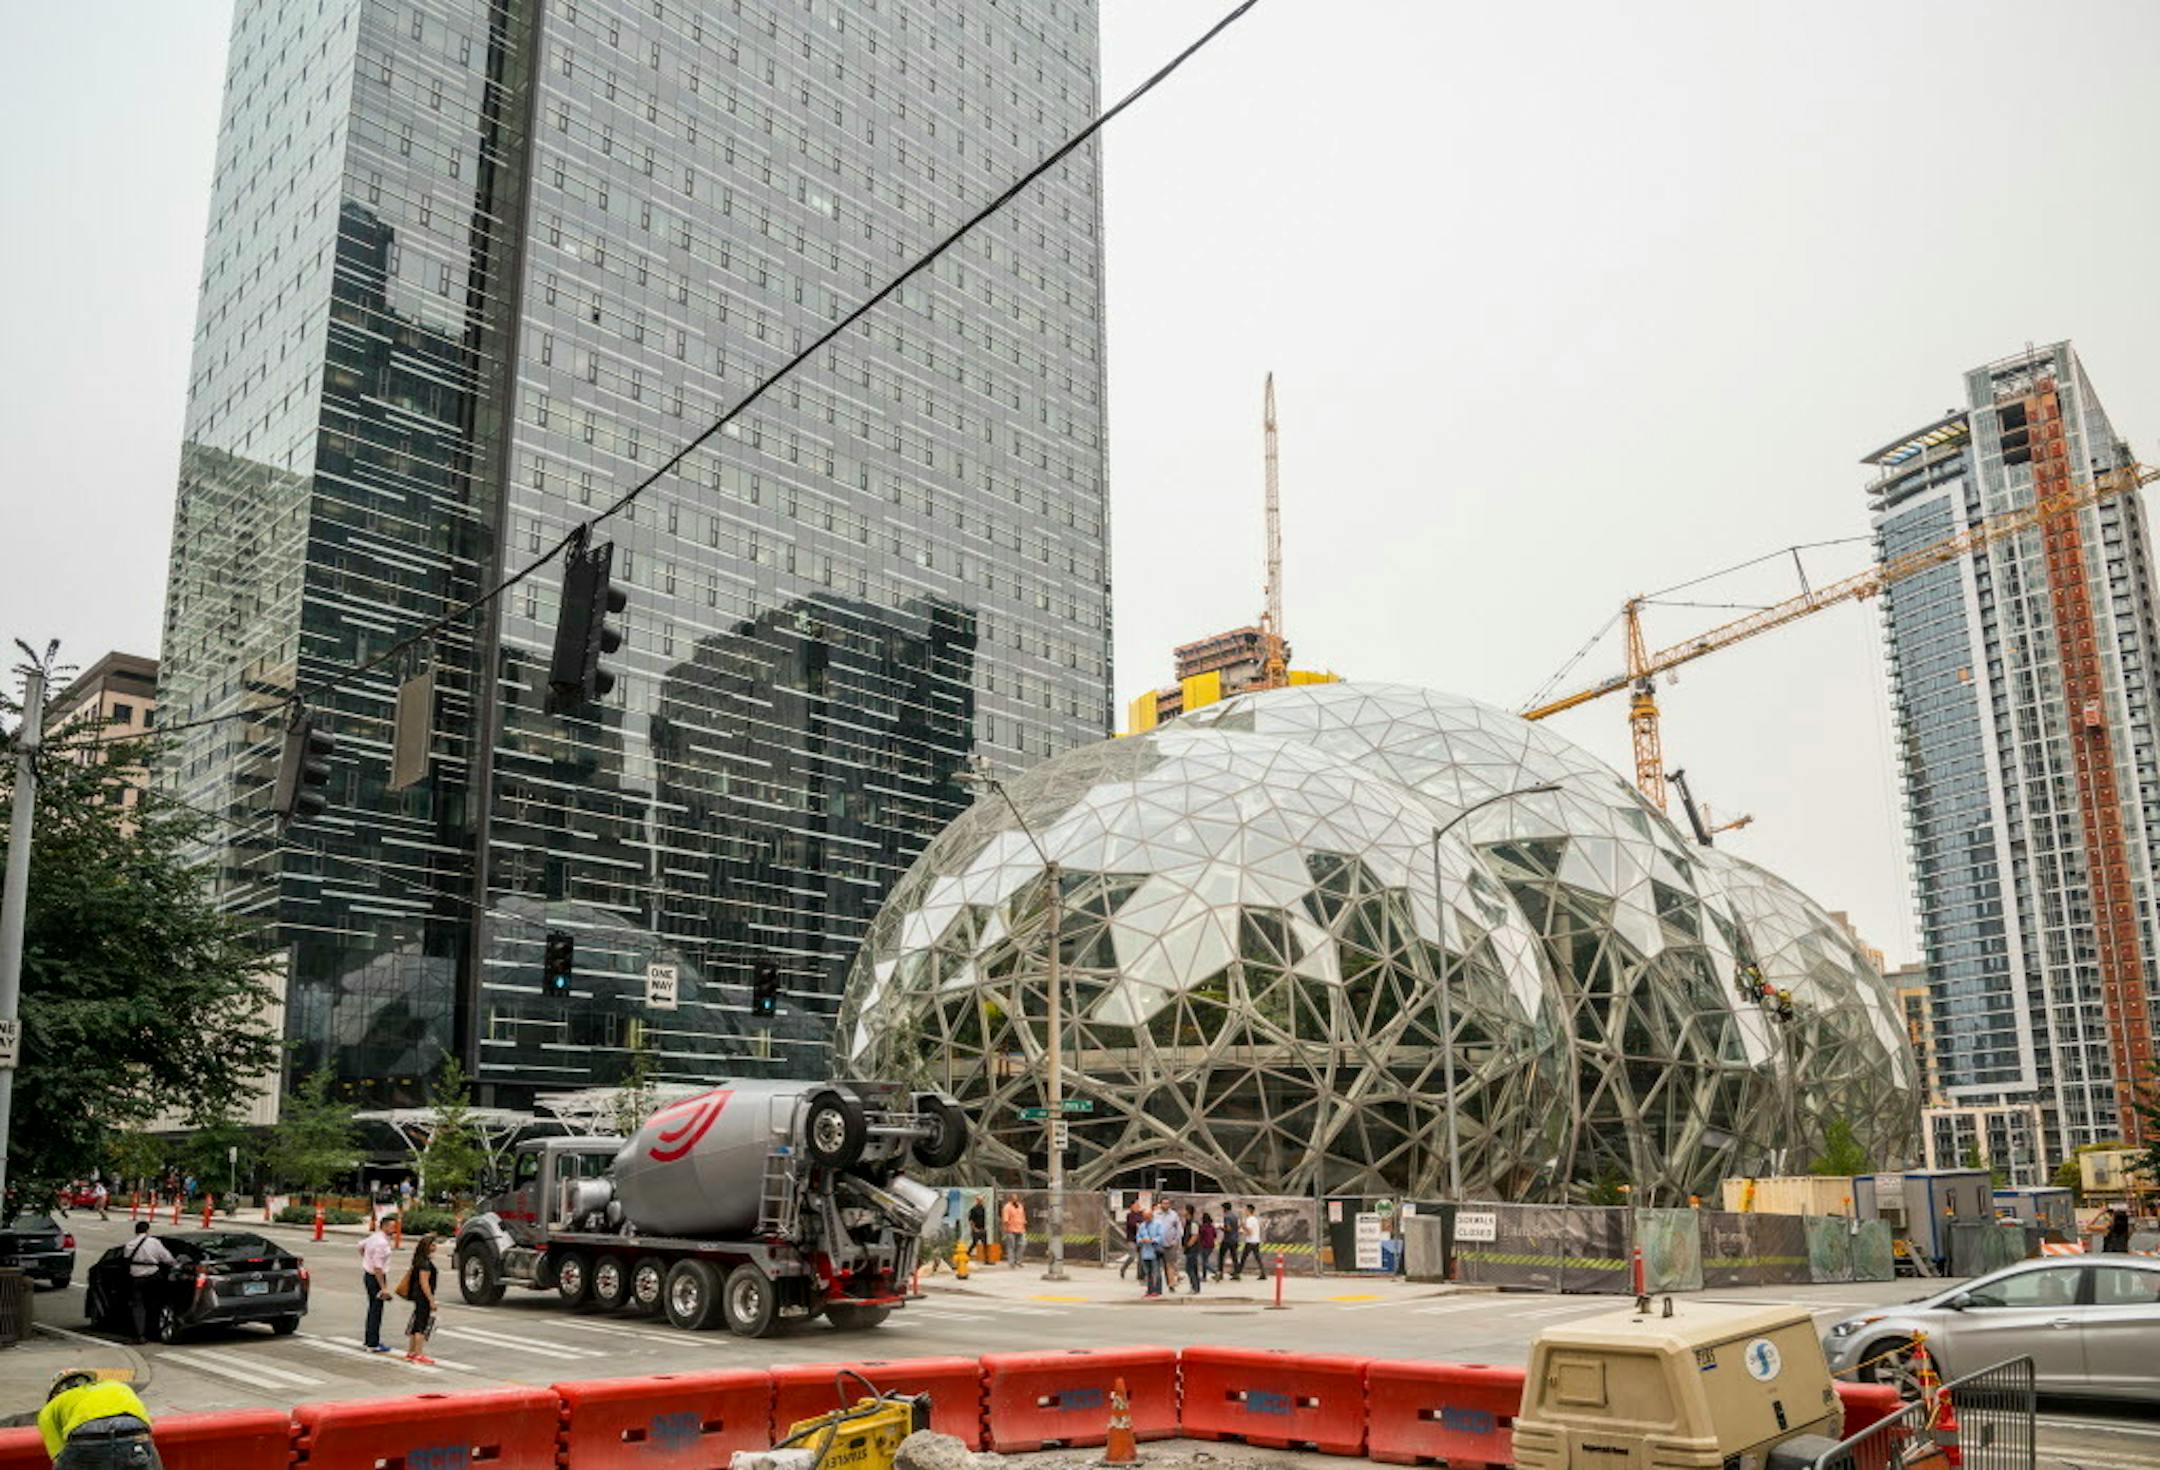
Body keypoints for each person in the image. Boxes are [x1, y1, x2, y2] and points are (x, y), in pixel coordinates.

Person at [39, 1374, 162, 1470]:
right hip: (135, 1433)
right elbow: (146, 1428)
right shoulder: (117, 1386)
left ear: (56, 1393)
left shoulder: (51, 1407)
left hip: (87, 1436)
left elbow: (58, 1454)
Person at [121, 1223, 175, 1345]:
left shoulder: (129, 1245)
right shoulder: (154, 1242)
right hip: (153, 1275)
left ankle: (140, 1334)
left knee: (138, 1305)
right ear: (147, 1230)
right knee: (155, 1303)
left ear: (136, 1231)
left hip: (136, 1277)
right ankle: (154, 1331)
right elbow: (167, 1258)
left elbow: (125, 1261)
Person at [401, 1234, 440, 1364]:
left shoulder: (419, 1260)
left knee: (416, 1323)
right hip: (423, 1297)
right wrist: (431, 1300)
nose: (436, 1246)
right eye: (433, 1244)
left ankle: (411, 1352)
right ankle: (418, 1353)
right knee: (421, 1325)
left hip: (418, 1296)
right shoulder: (425, 1264)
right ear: (427, 1247)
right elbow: (425, 1283)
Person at [359, 1216, 394, 1353]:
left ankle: (369, 1340)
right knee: (376, 1310)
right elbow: (378, 1268)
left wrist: (366, 1259)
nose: (394, 1229)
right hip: (376, 1277)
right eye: (391, 1226)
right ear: (384, 1226)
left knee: (373, 1308)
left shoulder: (374, 1237)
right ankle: (372, 1343)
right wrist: (383, 1287)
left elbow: (360, 1246)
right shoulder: (381, 1243)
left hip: (368, 1275)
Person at [1138, 1205, 1166, 1298]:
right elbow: (1138, 1236)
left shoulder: (1158, 1224)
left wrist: (1152, 1240)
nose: (1146, 1219)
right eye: (1144, 1217)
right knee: (1148, 1272)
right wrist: (1141, 1240)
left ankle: (1157, 1290)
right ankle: (1149, 1289)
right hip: (1145, 1252)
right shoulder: (1142, 1226)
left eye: (1148, 1217)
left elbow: (1161, 1236)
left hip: (1154, 1251)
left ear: (1151, 1216)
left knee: (1156, 1271)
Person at [1118, 1200, 1148, 1279]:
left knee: (1142, 1258)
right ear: (1132, 1206)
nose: (1138, 1206)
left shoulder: (1141, 1214)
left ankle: (1140, 1274)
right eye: (1136, 1205)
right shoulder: (1130, 1215)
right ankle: (1123, 1268)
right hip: (1132, 1239)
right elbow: (1132, 1224)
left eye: (1138, 1205)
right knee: (1132, 1256)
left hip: (1141, 1238)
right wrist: (1139, 1224)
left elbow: (1145, 1222)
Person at [1160, 1200, 1184, 1294]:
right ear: (1160, 1204)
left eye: (1167, 1203)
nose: (1165, 1205)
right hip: (1158, 1244)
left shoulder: (1174, 1215)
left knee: (1170, 1265)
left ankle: (1171, 1285)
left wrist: (1176, 1241)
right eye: (1164, 1203)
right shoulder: (1156, 1214)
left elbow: (1179, 1229)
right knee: (1157, 1266)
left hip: (1170, 1244)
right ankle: (1155, 1286)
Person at [1235, 1202, 1264, 1278]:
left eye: (1246, 1210)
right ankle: (1263, 1273)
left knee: (1243, 1258)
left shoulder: (1249, 1220)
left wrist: (1243, 1227)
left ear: (1248, 1210)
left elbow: (1250, 1232)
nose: (1245, 1212)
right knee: (1257, 1258)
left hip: (1250, 1241)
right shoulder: (1255, 1219)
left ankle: (1237, 1273)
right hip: (1256, 1240)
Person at [1190, 1212, 1216, 1294]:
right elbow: (1215, 1235)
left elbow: (1199, 1236)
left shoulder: (1202, 1227)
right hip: (1211, 1245)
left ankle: (1215, 1272)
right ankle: (1204, 1277)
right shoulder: (1212, 1227)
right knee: (1205, 1260)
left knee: (1204, 1262)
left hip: (1204, 1246)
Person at [1000, 1195, 1028, 1268]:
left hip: (1021, 1229)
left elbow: (1023, 1216)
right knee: (1011, 1246)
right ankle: (1011, 1262)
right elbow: (1005, 1219)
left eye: (1016, 1198)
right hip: (1011, 1229)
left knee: (1022, 1244)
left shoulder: (1020, 1206)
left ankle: (1018, 1261)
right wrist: (1006, 1229)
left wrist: (1024, 1223)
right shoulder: (1007, 1207)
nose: (1015, 1199)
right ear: (1010, 1199)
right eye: (1013, 1198)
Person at [1216, 1202, 1238, 1280]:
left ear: (1225, 1208)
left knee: (1221, 1256)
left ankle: (1220, 1273)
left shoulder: (1227, 1217)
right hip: (1235, 1239)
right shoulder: (1235, 1216)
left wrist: (1221, 1228)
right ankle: (1237, 1273)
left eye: (1222, 1208)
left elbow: (1228, 1228)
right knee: (1234, 1257)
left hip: (1227, 1239)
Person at [967, 1197, 988, 1262]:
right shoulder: (973, 1209)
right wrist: (974, 1228)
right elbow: (971, 1220)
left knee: (985, 1244)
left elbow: (983, 1219)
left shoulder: (983, 1208)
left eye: (982, 1200)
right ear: (977, 1201)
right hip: (976, 1229)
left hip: (982, 1229)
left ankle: (986, 1259)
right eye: (980, 1200)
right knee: (974, 1243)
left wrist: (984, 1228)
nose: (981, 1201)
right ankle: (967, 1254)